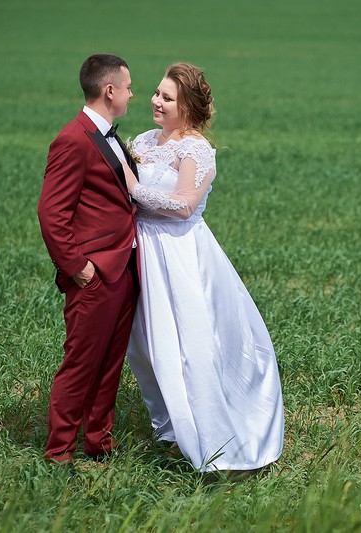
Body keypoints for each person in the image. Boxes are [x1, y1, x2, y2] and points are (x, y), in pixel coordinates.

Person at [120, 62, 284, 472]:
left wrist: (132, 187)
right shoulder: (144, 140)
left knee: (188, 345)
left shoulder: (195, 149)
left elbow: (184, 205)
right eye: (157, 93)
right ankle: (168, 429)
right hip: (142, 251)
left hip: (178, 254)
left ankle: (207, 434)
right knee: (141, 346)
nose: (156, 101)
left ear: (188, 107)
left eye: (167, 97)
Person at [37, 54, 140, 468]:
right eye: (129, 87)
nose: (133, 94)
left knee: (111, 361)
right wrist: (77, 267)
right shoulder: (73, 139)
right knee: (81, 361)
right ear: (109, 90)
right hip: (94, 275)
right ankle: (59, 450)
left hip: (125, 269)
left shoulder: (110, 136)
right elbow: (51, 213)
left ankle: (98, 441)